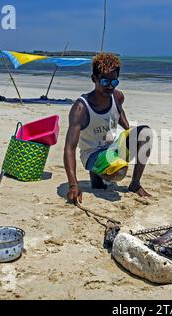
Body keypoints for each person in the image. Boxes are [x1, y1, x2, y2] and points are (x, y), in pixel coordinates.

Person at [64, 52, 153, 205]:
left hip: (112, 147)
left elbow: (118, 111)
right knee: (119, 172)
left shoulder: (117, 97)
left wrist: (129, 132)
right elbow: (69, 149)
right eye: (105, 82)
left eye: (114, 82)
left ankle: (135, 184)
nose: (110, 86)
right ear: (94, 79)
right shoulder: (80, 108)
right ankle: (96, 172)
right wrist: (73, 185)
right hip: (92, 154)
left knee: (144, 133)